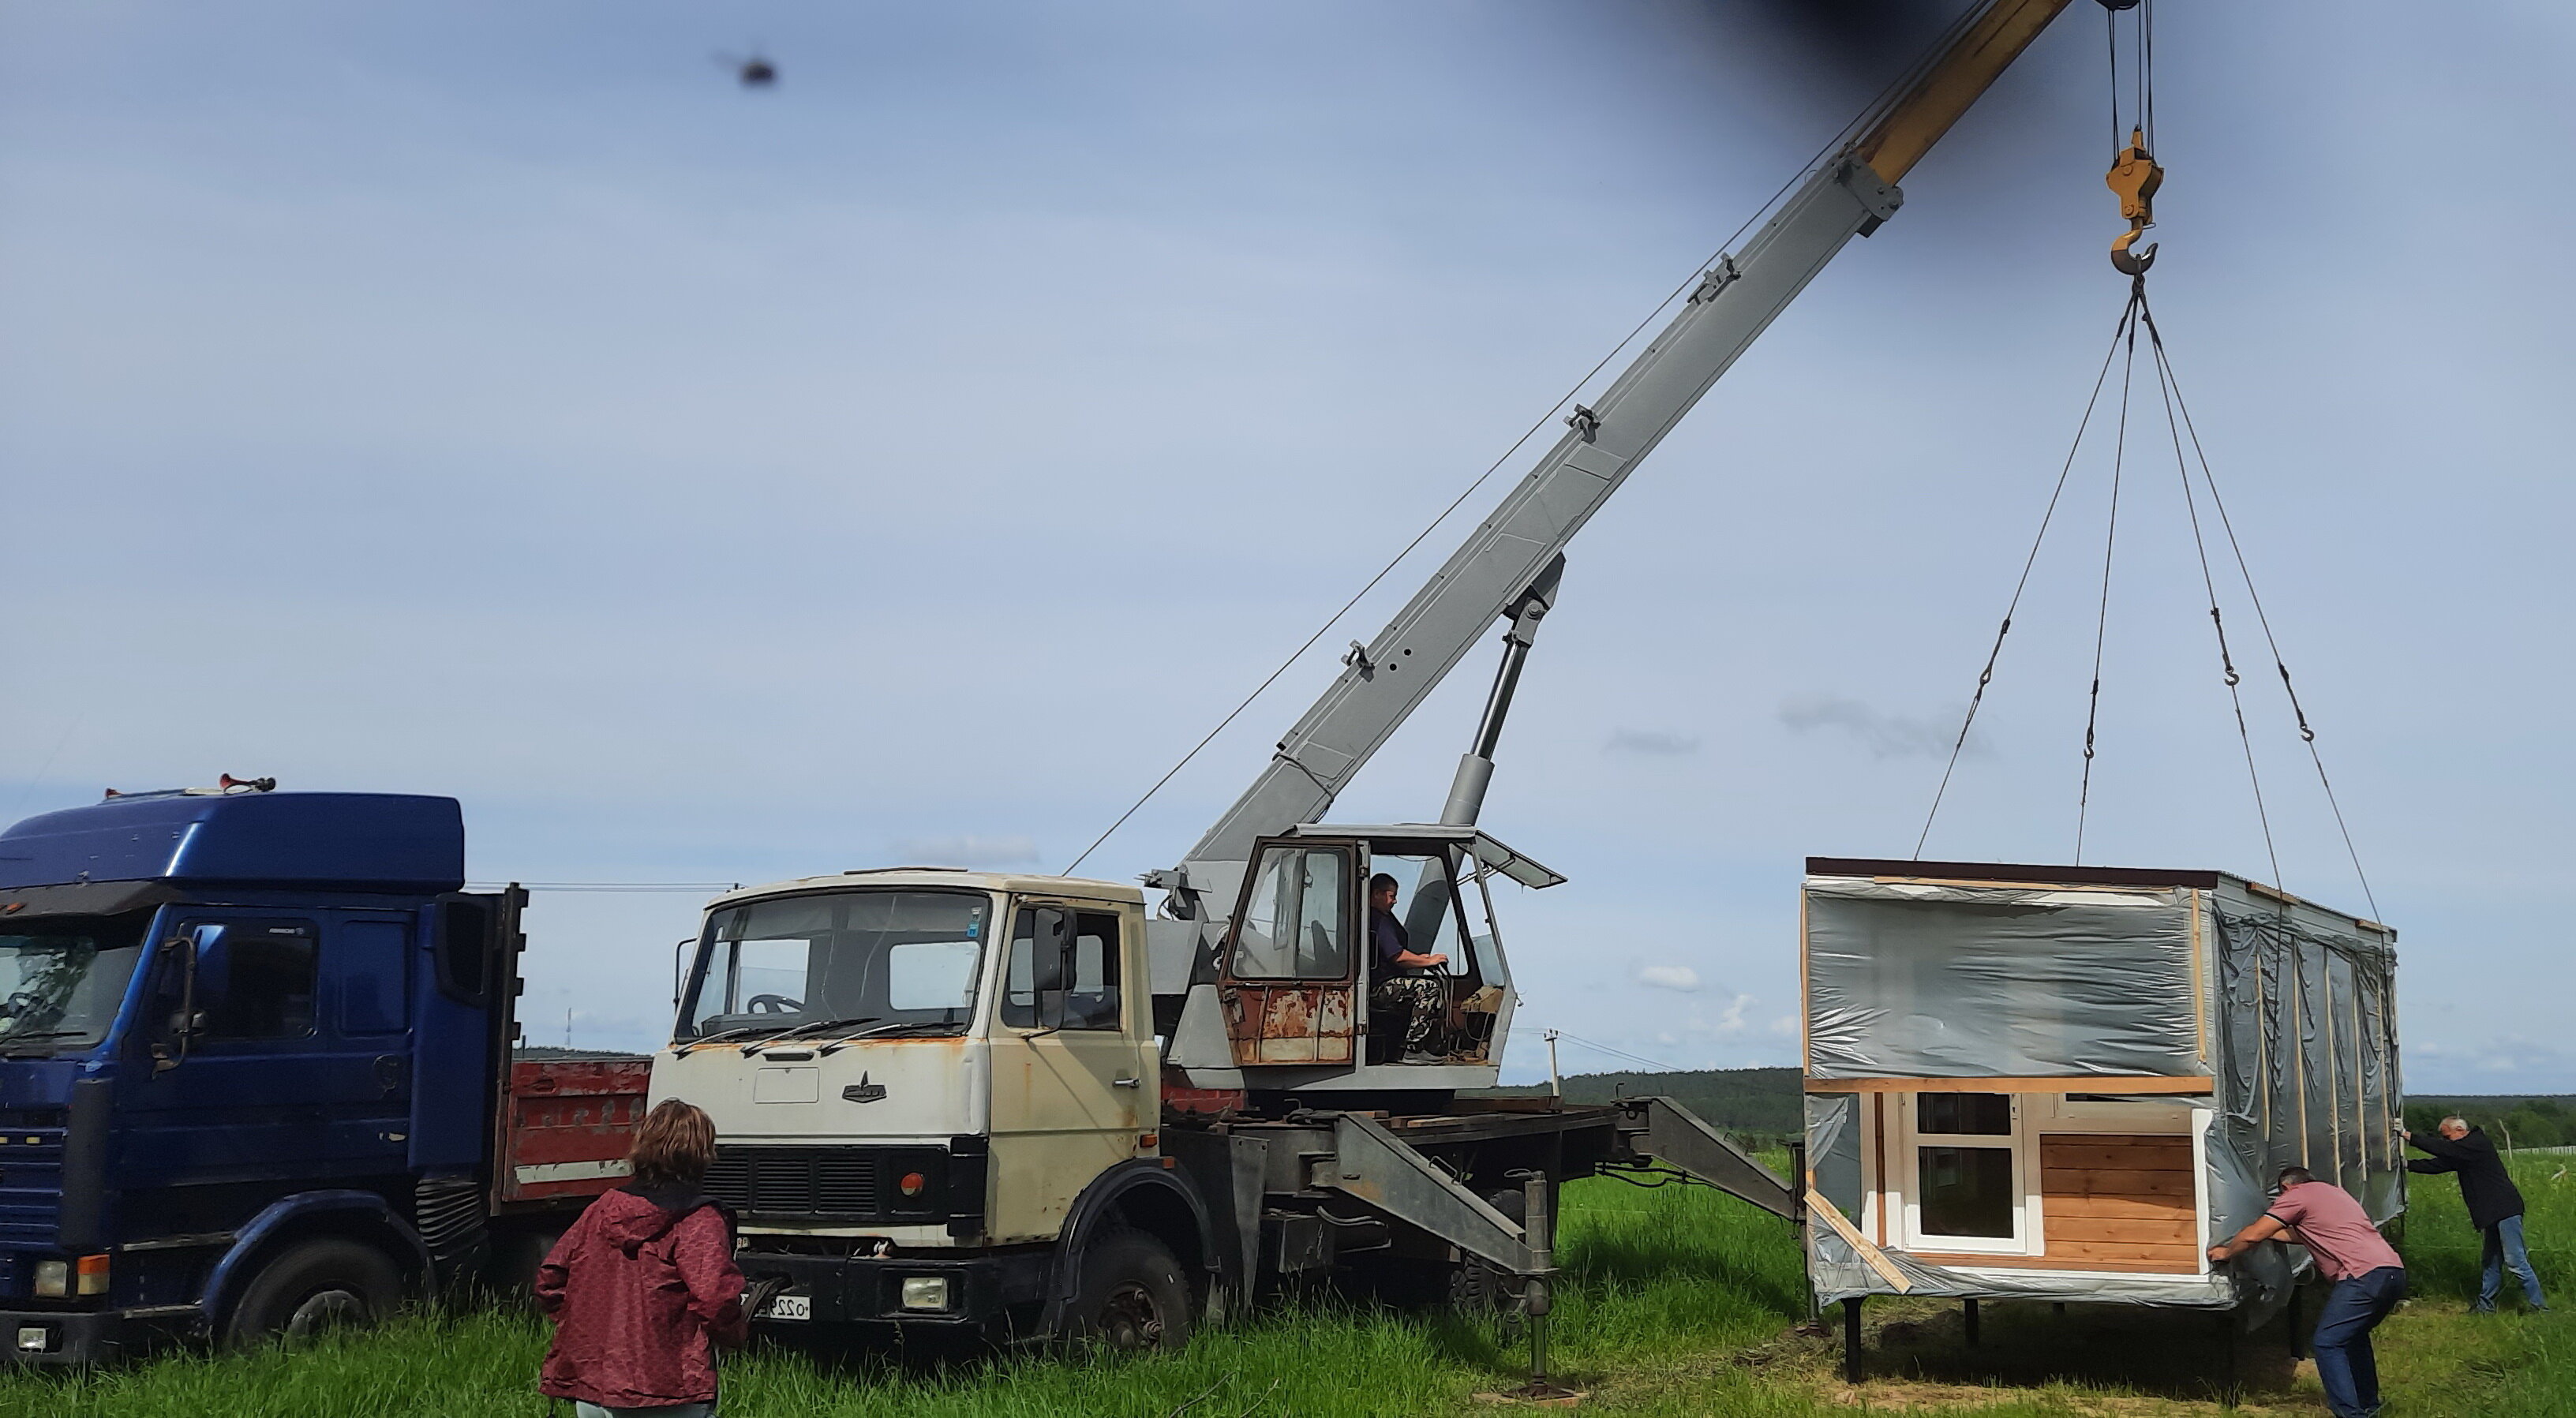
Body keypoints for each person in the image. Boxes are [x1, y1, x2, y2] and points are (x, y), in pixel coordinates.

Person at [537, 1098, 748, 1418]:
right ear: (702, 1153)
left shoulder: (602, 1209)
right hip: (669, 1389)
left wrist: (585, 1331)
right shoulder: (698, 1219)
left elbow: (550, 1278)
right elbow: (715, 1297)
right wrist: (736, 1336)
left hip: (594, 1389)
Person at [2207, 1166, 2407, 1418]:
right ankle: (2369, 1404)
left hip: (2362, 1276)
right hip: (2392, 1271)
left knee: (2327, 1343)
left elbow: (2255, 1234)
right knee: (2354, 1338)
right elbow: (2300, 1233)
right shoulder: (2336, 1194)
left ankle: (2350, 1413)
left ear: (2286, 1188)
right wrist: (2270, 1234)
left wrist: (2226, 1251)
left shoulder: (2297, 1195)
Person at [2406, 1115, 2547, 1313]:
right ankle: (2485, 1306)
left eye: (2448, 1137)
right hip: (2492, 1212)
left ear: (2460, 1131)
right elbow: (2438, 1165)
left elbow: (2444, 1150)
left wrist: (2408, 1136)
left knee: (2516, 1261)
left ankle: (2539, 1307)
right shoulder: (2464, 1152)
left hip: (2505, 1210)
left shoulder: (2476, 1144)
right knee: (2490, 1261)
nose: (2446, 1142)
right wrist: (2407, 1165)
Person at [1366, 872, 1450, 1063]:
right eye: (1391, 896)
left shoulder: (1377, 917)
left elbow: (1394, 954)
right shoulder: (1378, 920)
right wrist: (1428, 962)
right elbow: (1398, 957)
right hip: (1379, 987)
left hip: (1381, 982)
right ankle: (1414, 1048)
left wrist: (1418, 958)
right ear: (1377, 894)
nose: (1395, 901)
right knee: (1429, 988)